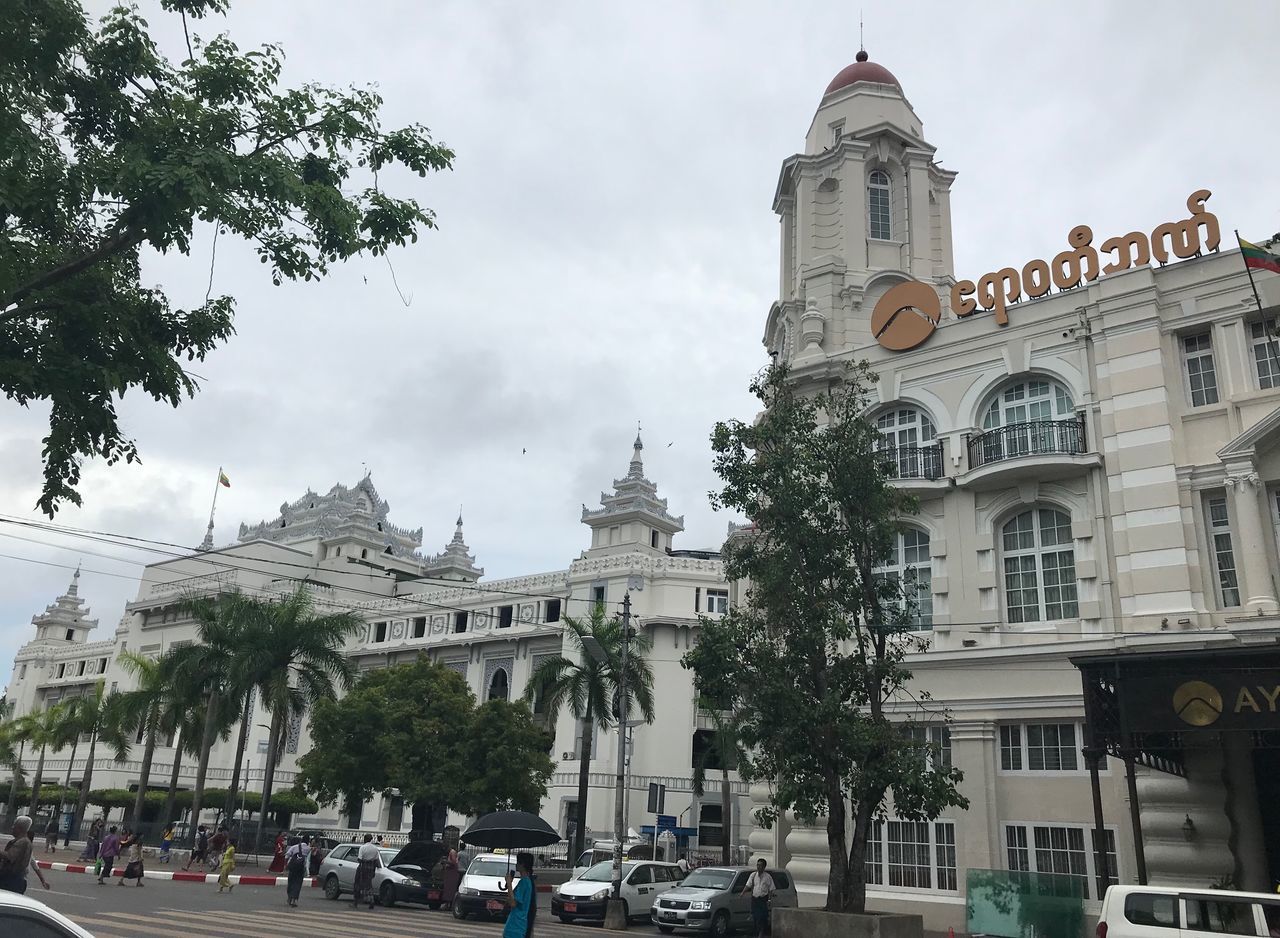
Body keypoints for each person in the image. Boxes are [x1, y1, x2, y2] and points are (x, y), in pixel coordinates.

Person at [0, 816, 51, 894]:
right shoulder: (22, 842)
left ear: (19, 828)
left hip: (11, 880)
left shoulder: (22, 842)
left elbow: (9, 856)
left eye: (14, 826)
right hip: (14, 879)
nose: (12, 828)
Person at [740, 858, 776, 938]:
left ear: (764, 867)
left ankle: (761, 933)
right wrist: (743, 893)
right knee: (755, 917)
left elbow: (771, 889)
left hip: (763, 900)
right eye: (757, 865)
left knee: (761, 917)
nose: (758, 867)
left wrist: (769, 900)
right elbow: (748, 885)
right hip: (755, 899)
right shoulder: (753, 875)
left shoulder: (768, 877)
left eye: (760, 865)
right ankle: (757, 933)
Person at [502, 852, 535, 938]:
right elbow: (510, 900)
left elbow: (513, 903)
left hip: (516, 927)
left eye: (518, 862)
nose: (516, 864)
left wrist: (509, 884)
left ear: (523, 865)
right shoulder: (527, 882)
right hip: (516, 924)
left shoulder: (524, 882)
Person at [354, 833, 378, 909]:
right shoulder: (375, 848)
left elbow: (359, 859)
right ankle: (371, 900)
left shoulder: (363, 847)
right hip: (371, 868)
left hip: (362, 868)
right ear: (371, 839)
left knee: (357, 884)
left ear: (365, 839)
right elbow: (376, 860)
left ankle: (355, 902)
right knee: (369, 885)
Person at [284, 836, 309, 907]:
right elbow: (308, 861)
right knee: (298, 883)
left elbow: (287, 856)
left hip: (293, 867)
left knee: (291, 882)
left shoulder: (294, 847)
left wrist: (285, 865)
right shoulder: (308, 849)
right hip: (301, 868)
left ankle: (289, 897)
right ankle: (294, 900)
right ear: (308, 842)